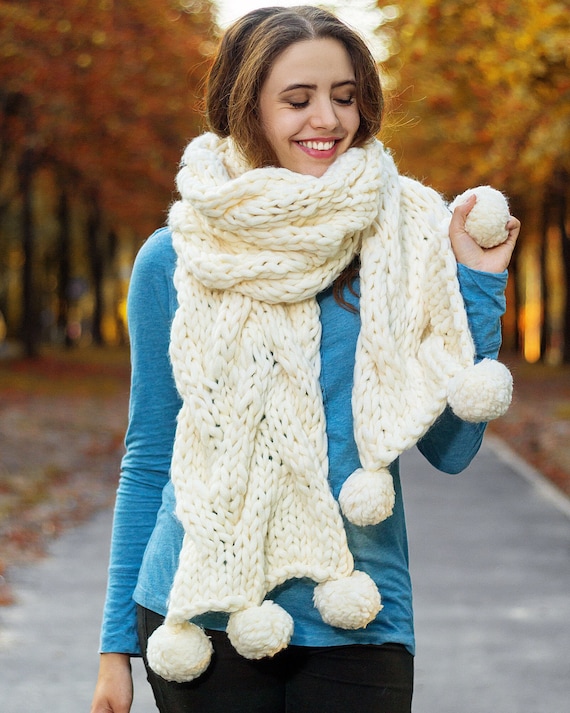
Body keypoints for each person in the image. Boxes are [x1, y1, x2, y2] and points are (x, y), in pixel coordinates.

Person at [90, 6, 520, 713]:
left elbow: (453, 445)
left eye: (345, 96)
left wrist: (477, 282)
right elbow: (149, 456)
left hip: (358, 613)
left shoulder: (401, 246)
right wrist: (115, 647)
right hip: (198, 614)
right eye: (299, 99)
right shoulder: (175, 258)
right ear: (246, 107)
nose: (329, 118)